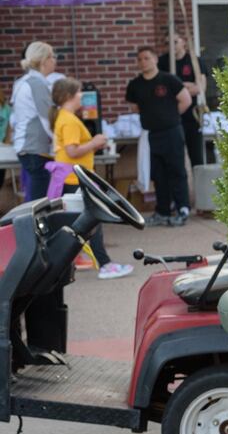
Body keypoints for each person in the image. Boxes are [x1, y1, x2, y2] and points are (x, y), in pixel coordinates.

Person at [51, 78, 132, 280]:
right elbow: (72, 150)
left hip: (72, 177)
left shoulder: (65, 117)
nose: (83, 98)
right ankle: (104, 265)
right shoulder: (69, 119)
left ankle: (71, 262)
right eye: (80, 93)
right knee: (93, 219)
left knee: (81, 222)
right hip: (74, 177)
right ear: (69, 96)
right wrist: (95, 142)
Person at [124, 46, 193, 227]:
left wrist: (169, 117)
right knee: (158, 174)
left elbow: (186, 100)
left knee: (176, 171)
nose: (143, 62)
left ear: (155, 59)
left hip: (172, 132)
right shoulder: (135, 85)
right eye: (139, 59)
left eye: (146, 58)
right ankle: (162, 211)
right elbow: (134, 107)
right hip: (151, 135)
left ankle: (182, 209)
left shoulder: (168, 80)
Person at [12, 42, 57, 202]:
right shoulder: (37, 83)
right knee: (38, 202)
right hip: (35, 148)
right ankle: (29, 228)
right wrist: (59, 145)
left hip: (27, 146)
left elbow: (15, 118)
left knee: (35, 197)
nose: (54, 60)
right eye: (52, 56)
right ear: (43, 60)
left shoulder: (22, 81)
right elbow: (47, 118)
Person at [158, 33, 206, 167]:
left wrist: (177, 90)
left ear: (183, 42)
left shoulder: (194, 61)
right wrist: (186, 86)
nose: (171, 46)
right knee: (173, 159)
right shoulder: (162, 62)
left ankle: (198, 187)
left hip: (192, 116)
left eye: (175, 42)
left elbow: (200, 87)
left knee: (196, 157)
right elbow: (161, 90)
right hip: (170, 117)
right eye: (167, 43)